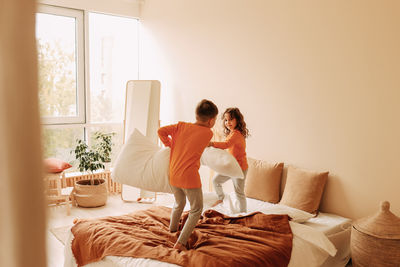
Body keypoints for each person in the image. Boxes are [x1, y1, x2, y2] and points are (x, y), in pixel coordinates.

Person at [158, 99, 218, 251]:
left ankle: (172, 230)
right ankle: (180, 243)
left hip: (173, 174)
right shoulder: (208, 133)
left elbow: (161, 131)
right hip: (189, 177)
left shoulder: (180, 126)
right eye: (215, 120)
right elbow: (200, 142)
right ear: (211, 120)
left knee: (179, 203)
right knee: (196, 209)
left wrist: (169, 144)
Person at [209, 107, 249, 213]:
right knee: (216, 180)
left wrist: (212, 143)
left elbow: (226, 145)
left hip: (239, 169)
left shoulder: (236, 134)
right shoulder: (231, 133)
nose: (228, 122)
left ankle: (243, 214)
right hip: (231, 167)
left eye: (231, 119)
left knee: (239, 193)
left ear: (237, 120)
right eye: (226, 120)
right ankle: (221, 198)